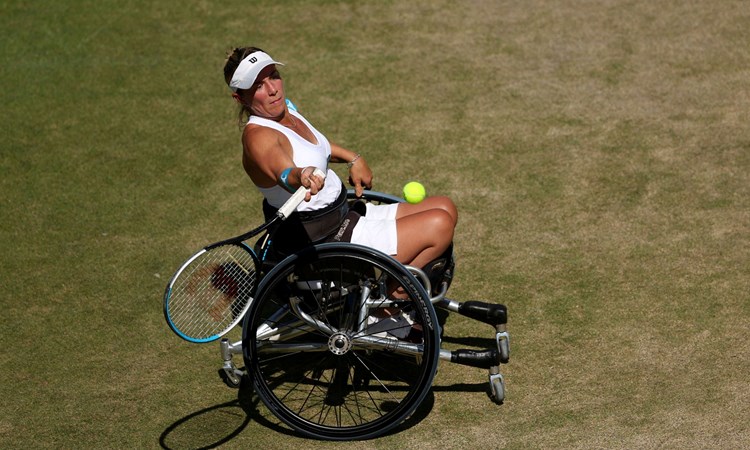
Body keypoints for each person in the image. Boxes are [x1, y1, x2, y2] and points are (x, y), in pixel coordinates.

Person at [222, 47, 457, 270]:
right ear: (239, 98)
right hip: (327, 240)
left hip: (344, 214)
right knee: (440, 224)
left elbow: (317, 146)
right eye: (258, 86)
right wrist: (300, 175)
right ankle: (391, 301)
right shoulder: (258, 136)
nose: (273, 89)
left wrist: (354, 158)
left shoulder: (286, 111)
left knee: (445, 206)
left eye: (274, 76)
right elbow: (282, 171)